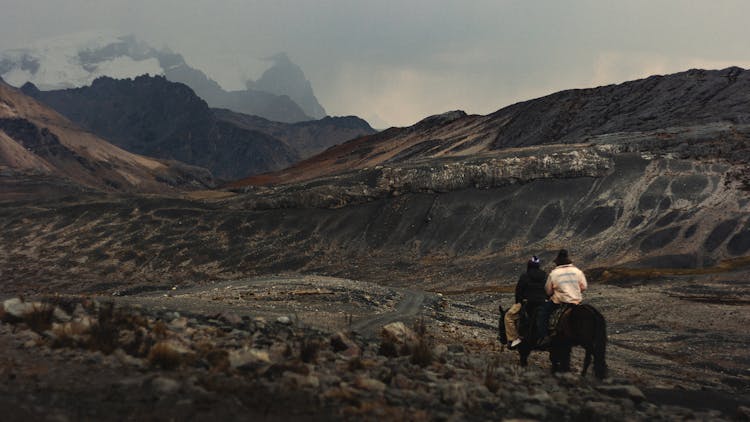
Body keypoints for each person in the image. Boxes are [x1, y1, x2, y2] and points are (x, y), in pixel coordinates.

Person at [537, 249, 587, 347]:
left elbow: (548, 291)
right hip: (575, 301)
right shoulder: (577, 271)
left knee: (543, 314)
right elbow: (584, 287)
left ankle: (545, 336)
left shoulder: (554, 273)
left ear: (558, 262)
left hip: (559, 301)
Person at [505, 255, 548, 349]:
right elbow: (548, 290)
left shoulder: (525, 276)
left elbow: (519, 291)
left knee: (508, 316)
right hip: (542, 303)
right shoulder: (545, 275)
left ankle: (514, 339)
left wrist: (518, 302)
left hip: (527, 303)